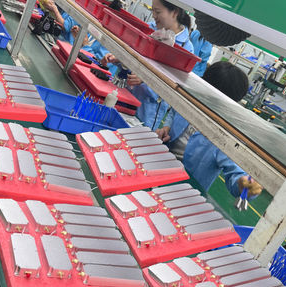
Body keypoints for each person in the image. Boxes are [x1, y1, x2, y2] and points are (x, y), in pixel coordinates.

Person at [156, 61, 262, 199]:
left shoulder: (225, 135)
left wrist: (245, 185)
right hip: (158, 165)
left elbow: (235, 175)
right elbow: (174, 111)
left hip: (183, 192)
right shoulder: (191, 101)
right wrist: (167, 127)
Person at [101, 0, 193, 130]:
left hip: (148, 110)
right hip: (125, 95)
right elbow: (133, 55)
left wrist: (146, 79)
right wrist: (120, 59)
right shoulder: (148, 29)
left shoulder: (186, 48)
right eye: (152, 10)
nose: (154, 15)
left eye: (158, 12)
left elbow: (172, 89)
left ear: (174, 13)